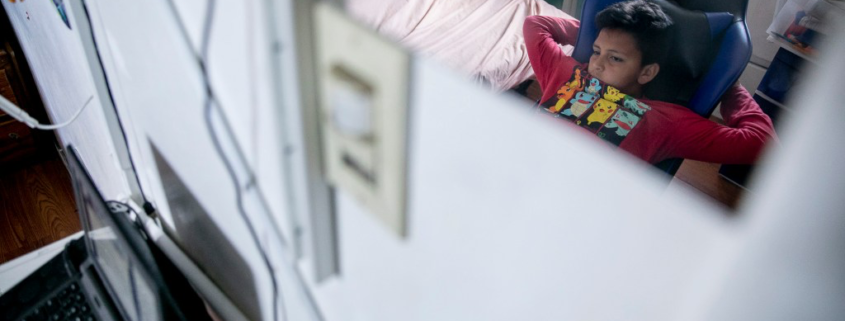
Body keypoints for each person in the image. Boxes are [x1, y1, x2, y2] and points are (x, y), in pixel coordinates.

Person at [523, 0, 777, 165]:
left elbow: (760, 143)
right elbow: (536, 24)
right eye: (596, 51)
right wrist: (590, 39)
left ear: (647, 73)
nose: (597, 64)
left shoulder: (663, 122)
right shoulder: (564, 71)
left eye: (615, 58)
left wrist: (730, 87)